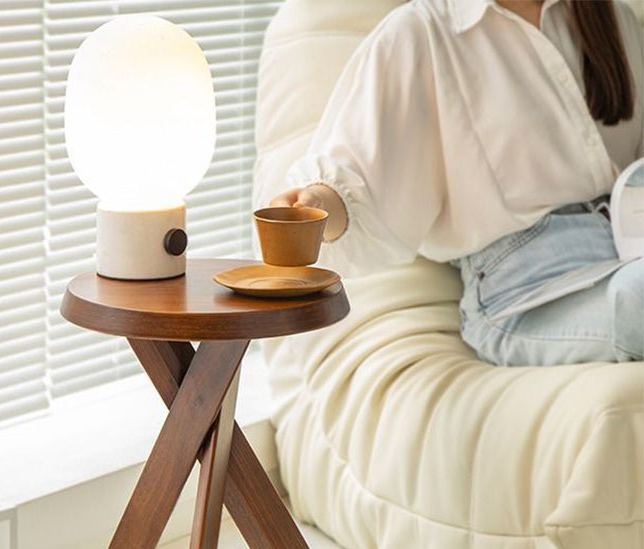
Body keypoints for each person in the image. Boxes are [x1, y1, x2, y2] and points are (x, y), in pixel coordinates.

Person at [270, 0, 644, 366]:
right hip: (524, 296)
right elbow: (358, 180)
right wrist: (314, 206)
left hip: (626, 250)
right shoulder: (422, 32)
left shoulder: (614, 19)